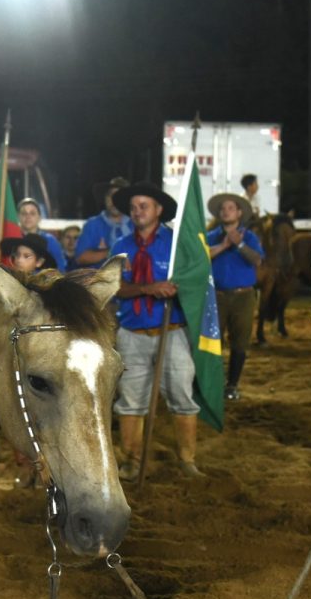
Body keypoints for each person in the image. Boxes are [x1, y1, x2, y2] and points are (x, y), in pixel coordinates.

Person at [110, 182, 204, 479]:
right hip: (132, 334)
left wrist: (180, 288)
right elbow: (114, 288)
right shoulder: (121, 247)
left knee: (181, 395)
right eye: (134, 207)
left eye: (144, 206)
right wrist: (148, 288)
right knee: (130, 401)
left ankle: (187, 460)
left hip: (172, 332)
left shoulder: (177, 244)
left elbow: (195, 283)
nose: (137, 211)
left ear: (159, 210)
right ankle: (131, 460)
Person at [206, 192, 263, 401]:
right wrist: (224, 246)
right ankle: (215, 382)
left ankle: (232, 384)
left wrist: (239, 244)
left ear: (239, 213)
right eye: (223, 209)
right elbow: (201, 256)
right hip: (217, 296)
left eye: (230, 208)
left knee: (240, 341)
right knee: (214, 341)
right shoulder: (211, 236)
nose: (226, 211)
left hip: (243, 297)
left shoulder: (249, 237)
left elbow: (257, 260)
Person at [74, 176, 133, 267]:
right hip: (99, 280)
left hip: (132, 280)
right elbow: (80, 257)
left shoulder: (136, 224)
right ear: (104, 199)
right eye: (110, 195)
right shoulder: (92, 224)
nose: (114, 200)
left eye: (119, 195)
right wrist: (113, 251)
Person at [15, 198, 66, 268]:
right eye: (24, 213)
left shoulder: (50, 241)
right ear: (18, 217)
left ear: (39, 217)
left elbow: (60, 269)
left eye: (32, 213)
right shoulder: (14, 239)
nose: (28, 216)